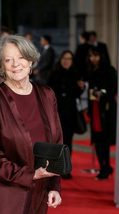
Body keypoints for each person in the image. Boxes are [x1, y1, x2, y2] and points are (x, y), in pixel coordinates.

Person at [0, 35, 62, 214]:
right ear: (1, 67)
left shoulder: (47, 94)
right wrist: (29, 174)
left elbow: (56, 143)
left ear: (31, 61)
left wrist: (54, 185)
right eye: (8, 60)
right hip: (3, 197)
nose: (16, 64)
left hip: (37, 194)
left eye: (21, 57)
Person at [48, 50, 85, 179]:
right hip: (56, 113)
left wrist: (81, 88)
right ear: (61, 59)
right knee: (56, 141)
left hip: (70, 113)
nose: (66, 61)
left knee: (68, 143)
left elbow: (77, 95)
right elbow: (48, 92)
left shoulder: (76, 75)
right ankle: (55, 168)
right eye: (64, 58)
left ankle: (66, 170)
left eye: (69, 58)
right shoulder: (54, 74)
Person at [85, 46, 117, 180]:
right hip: (94, 107)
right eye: (91, 56)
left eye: (96, 56)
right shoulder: (91, 70)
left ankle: (106, 168)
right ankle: (104, 167)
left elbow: (113, 88)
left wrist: (102, 93)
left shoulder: (110, 70)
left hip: (106, 109)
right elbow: (90, 90)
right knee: (97, 140)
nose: (93, 59)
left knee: (104, 140)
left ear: (102, 56)